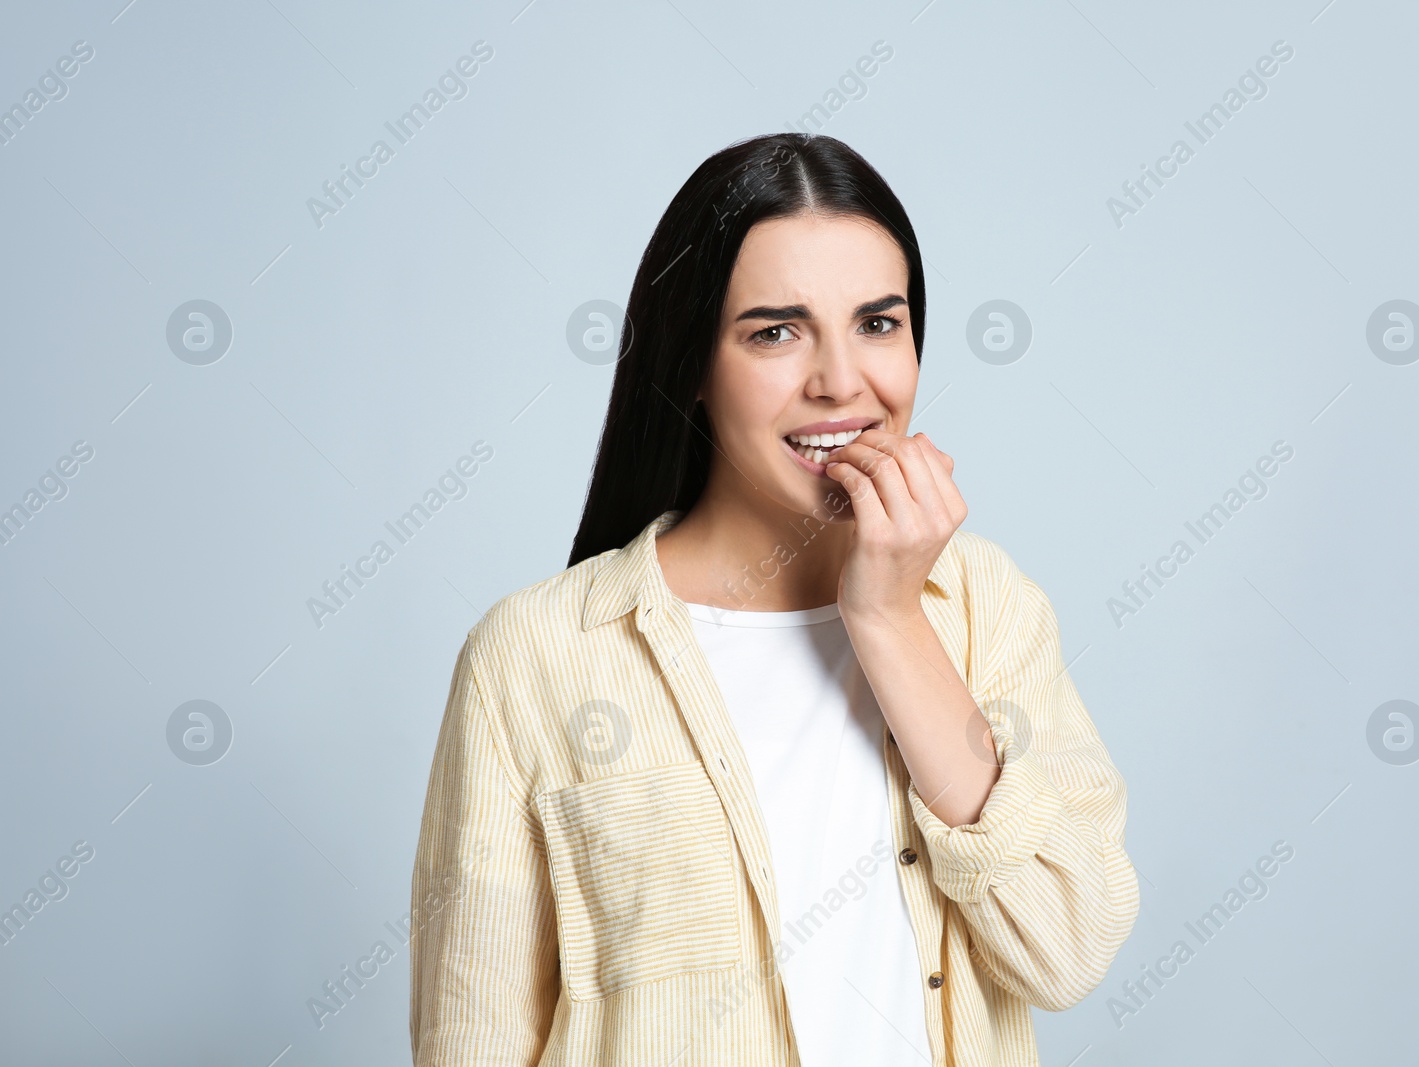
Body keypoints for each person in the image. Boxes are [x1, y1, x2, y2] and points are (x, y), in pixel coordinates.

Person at [409, 132, 1138, 1066]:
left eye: (879, 322)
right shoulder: (538, 651)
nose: (842, 382)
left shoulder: (985, 604)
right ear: (694, 366)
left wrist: (889, 615)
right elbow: (473, 1033)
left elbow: (1068, 947)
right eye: (775, 331)